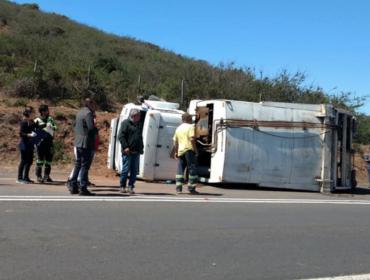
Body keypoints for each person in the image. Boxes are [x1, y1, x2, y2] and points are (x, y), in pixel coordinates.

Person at [66, 98, 98, 196]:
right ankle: (83, 188)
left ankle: (73, 186)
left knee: (78, 164)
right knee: (84, 166)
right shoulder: (89, 114)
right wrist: (97, 129)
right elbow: (90, 128)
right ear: (89, 104)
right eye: (93, 104)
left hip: (78, 142)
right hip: (86, 143)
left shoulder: (79, 113)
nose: (94, 107)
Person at [68, 112, 100, 186]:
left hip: (90, 146)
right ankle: (74, 180)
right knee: (82, 164)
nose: (94, 118)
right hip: (85, 145)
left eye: (95, 117)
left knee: (84, 165)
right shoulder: (86, 124)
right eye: (93, 117)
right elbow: (89, 131)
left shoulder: (91, 124)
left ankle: (83, 180)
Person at [118, 108, 144, 194]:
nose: (140, 117)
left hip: (136, 151)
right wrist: (125, 147)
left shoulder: (139, 125)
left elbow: (140, 137)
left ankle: (130, 187)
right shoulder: (125, 123)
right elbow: (121, 136)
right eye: (138, 115)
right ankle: (122, 186)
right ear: (133, 116)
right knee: (125, 169)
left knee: (134, 170)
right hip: (127, 152)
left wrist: (141, 148)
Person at [173, 112, 199, 194]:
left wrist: (176, 152)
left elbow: (175, 142)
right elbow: (192, 139)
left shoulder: (178, 128)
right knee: (192, 168)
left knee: (180, 169)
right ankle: (191, 188)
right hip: (189, 150)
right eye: (191, 119)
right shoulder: (191, 127)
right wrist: (196, 150)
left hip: (181, 151)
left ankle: (178, 188)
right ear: (188, 119)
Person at [34, 105, 58, 183]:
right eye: (47, 110)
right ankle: (39, 176)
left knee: (49, 159)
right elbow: (33, 130)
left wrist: (52, 127)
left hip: (49, 141)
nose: (48, 111)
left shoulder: (50, 119)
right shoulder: (37, 120)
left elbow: (56, 127)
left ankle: (47, 175)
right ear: (43, 112)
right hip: (40, 141)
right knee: (40, 159)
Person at [17, 106, 37, 184]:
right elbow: (21, 133)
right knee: (23, 161)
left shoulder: (32, 121)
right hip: (24, 144)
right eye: (33, 112)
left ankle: (26, 177)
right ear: (29, 113)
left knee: (30, 161)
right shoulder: (24, 122)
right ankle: (19, 177)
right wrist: (30, 135)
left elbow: (37, 127)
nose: (34, 113)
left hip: (30, 144)